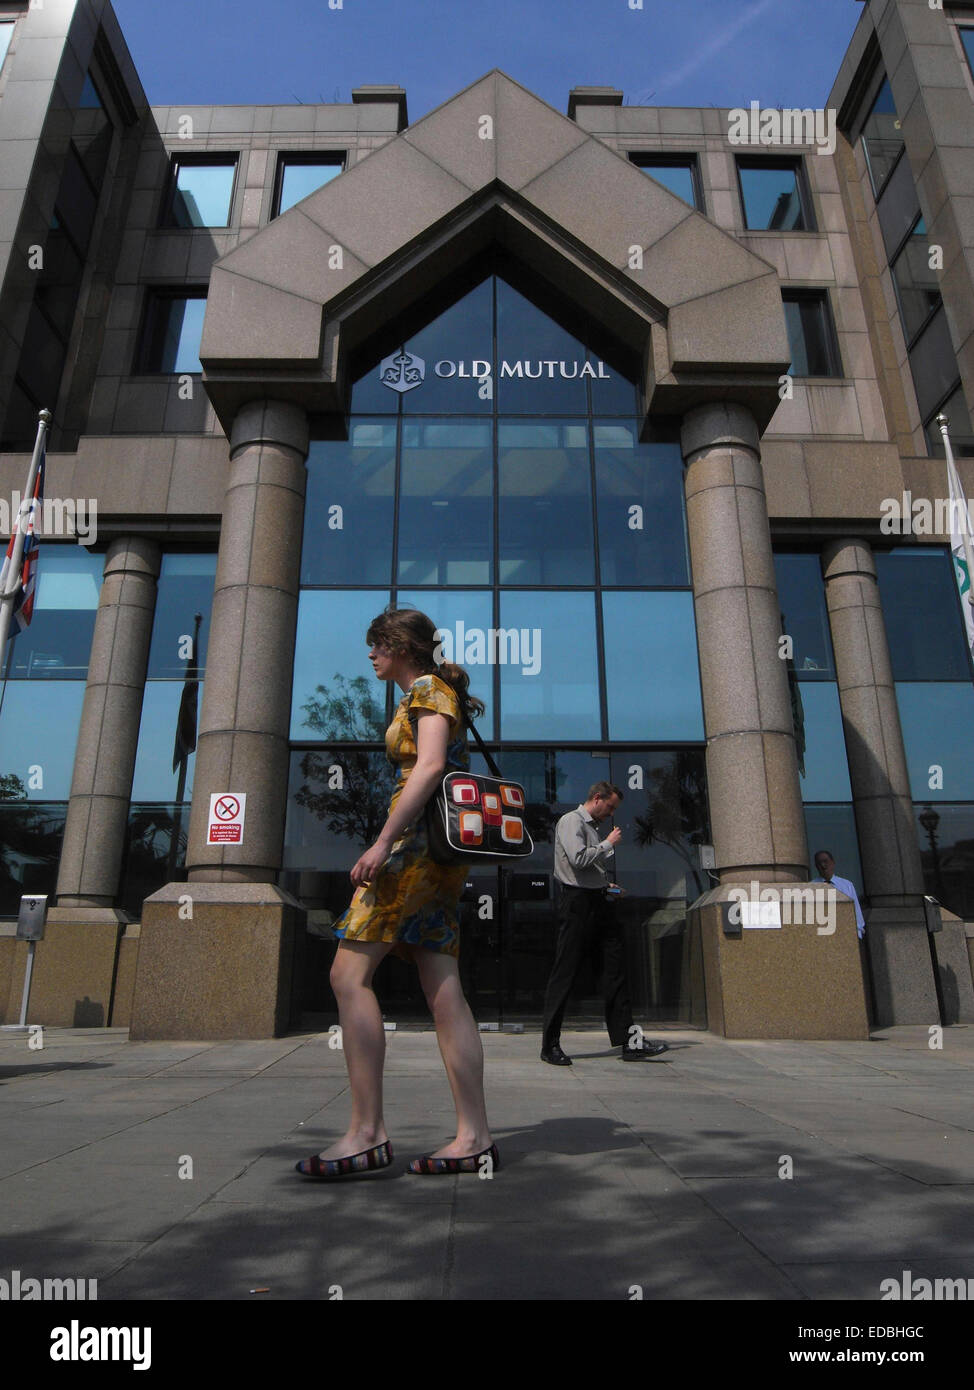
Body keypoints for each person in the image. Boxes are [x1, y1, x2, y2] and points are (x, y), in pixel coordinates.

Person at [295, 606, 499, 1180]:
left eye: (377, 645)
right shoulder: (429, 691)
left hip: (412, 850)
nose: (370, 656)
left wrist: (381, 843)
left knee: (346, 975)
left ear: (401, 646)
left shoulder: (428, 690)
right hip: (432, 857)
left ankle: (366, 1133)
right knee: (442, 986)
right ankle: (474, 1136)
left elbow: (430, 767)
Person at [540, 782, 670, 1065]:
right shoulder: (571, 821)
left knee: (615, 972)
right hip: (577, 906)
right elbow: (577, 860)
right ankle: (549, 1046)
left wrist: (608, 887)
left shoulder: (591, 828)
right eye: (609, 807)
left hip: (598, 902)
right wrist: (607, 844)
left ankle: (630, 1043)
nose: (610, 813)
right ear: (596, 798)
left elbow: (589, 873)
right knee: (565, 973)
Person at [812, 848, 873, 1022]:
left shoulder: (846, 885)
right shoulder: (812, 886)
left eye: (826, 861)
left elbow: (856, 913)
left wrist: (858, 934)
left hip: (847, 941)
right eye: (819, 862)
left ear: (833, 863)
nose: (823, 865)